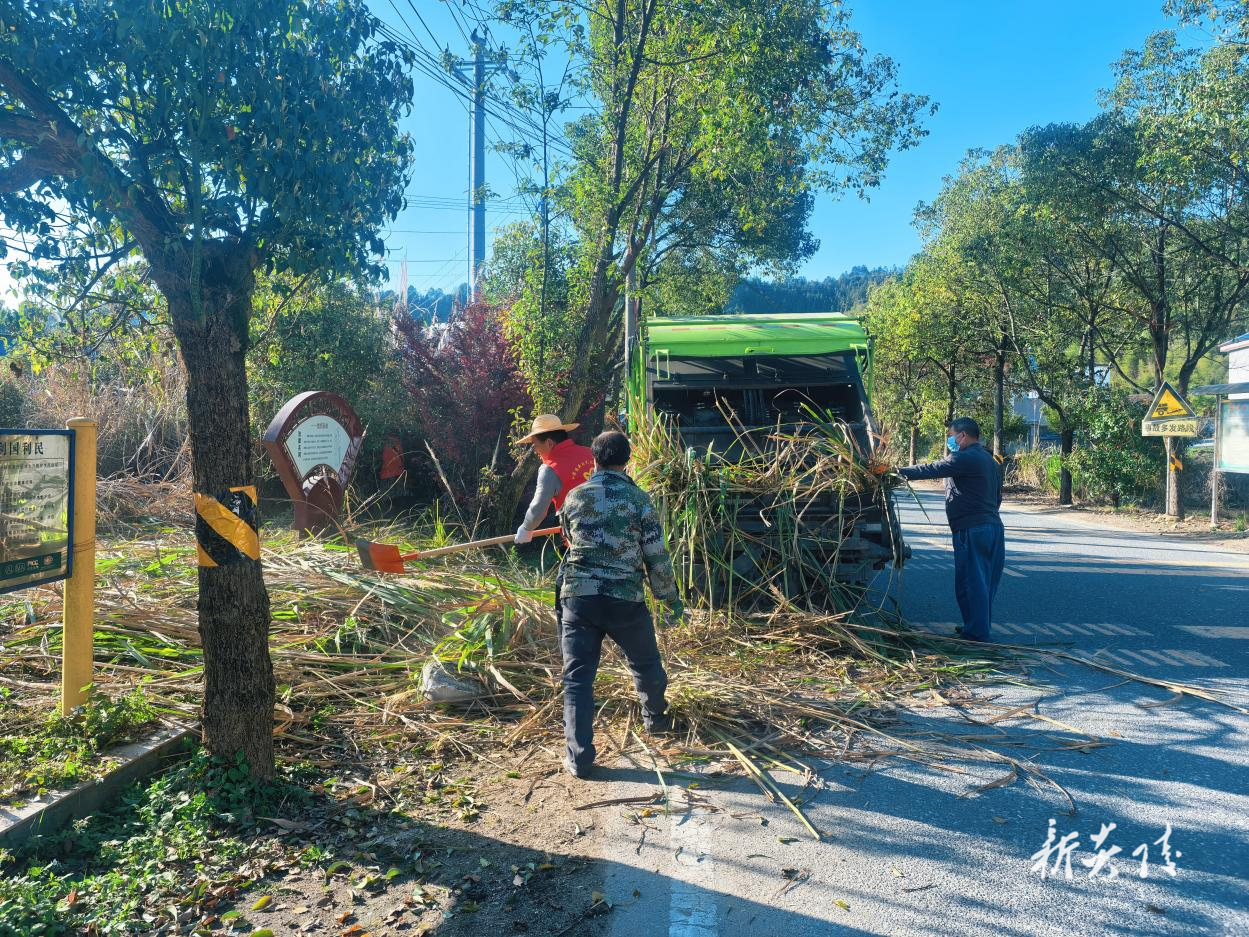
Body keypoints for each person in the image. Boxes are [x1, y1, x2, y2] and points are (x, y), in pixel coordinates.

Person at [557, 430, 684, 779]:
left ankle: (580, 758)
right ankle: (655, 722)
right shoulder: (639, 500)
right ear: (627, 461)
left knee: (578, 679)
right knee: (645, 664)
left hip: (579, 598)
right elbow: (656, 555)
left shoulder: (574, 496)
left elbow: (568, 539)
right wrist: (669, 598)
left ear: (595, 459)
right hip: (624, 598)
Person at [896, 417, 1004, 643]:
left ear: (962, 436)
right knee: (984, 583)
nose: (949, 441)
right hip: (992, 527)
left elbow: (931, 469)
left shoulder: (965, 457)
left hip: (972, 529)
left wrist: (894, 472)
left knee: (971, 583)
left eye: (951, 435)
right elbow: (997, 497)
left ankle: (976, 634)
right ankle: (975, 627)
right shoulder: (989, 460)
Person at [513, 414, 595, 545]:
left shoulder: (550, 468)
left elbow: (538, 510)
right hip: (614, 533)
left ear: (549, 443)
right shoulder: (592, 453)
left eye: (535, 445)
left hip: (582, 543)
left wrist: (526, 528)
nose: (535, 451)